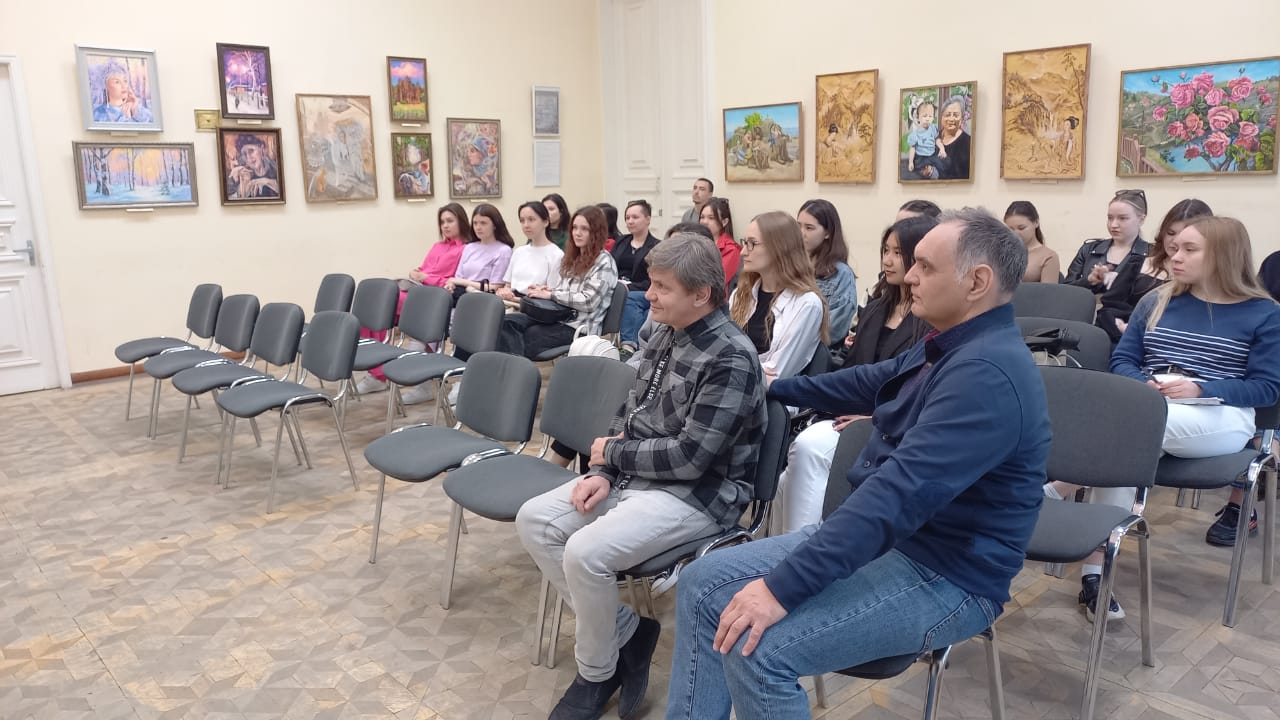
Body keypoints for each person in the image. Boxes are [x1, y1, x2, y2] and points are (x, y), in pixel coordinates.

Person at [664, 208, 1050, 720]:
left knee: (759, 650)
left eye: (925, 267)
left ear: (977, 282)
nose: (909, 277)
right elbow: (870, 381)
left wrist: (780, 589)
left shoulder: (986, 375)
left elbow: (896, 497)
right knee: (701, 583)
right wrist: (772, 386)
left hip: (948, 574)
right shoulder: (952, 343)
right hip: (899, 545)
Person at [516, 232, 765, 720]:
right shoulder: (667, 331)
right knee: (535, 519)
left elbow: (691, 458)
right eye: (651, 283)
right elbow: (629, 413)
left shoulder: (730, 357)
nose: (648, 295)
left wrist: (615, 454)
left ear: (702, 294)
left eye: (662, 287)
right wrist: (605, 470)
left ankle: (596, 672)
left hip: (700, 495)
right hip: (641, 475)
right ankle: (628, 632)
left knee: (585, 553)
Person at [1045, 217, 1280, 623]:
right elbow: (1123, 359)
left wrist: (1200, 388)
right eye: (1174, 248)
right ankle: (1095, 577)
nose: (1175, 257)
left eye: (1190, 249)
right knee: (1125, 452)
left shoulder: (1263, 314)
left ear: (1223, 256)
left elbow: (1267, 389)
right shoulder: (1157, 300)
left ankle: (1054, 490)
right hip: (1150, 408)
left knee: (1129, 433)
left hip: (1222, 416)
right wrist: (1145, 387)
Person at [768, 215, 937, 535]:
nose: (887, 260)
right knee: (783, 481)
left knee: (808, 447)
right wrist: (782, 387)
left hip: (887, 424)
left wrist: (873, 418)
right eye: (885, 250)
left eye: (898, 253)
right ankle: (784, 547)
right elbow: (854, 372)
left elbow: (912, 390)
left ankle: (801, 548)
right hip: (852, 413)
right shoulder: (876, 308)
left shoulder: (929, 320)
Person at [356, 203, 471, 395]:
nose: (445, 225)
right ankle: (377, 371)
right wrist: (416, 273)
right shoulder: (438, 246)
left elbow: (453, 282)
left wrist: (425, 277)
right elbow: (424, 269)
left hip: (436, 296)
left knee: (381, 303)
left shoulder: (466, 249)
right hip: (418, 291)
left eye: (450, 221)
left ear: (461, 221)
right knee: (370, 304)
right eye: (442, 222)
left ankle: (379, 375)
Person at [497, 205, 617, 359]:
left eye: (584, 229)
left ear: (596, 232)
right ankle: (509, 368)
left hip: (578, 327)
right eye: (574, 228)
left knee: (529, 336)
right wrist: (545, 291)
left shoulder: (604, 261)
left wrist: (552, 294)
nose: (577, 233)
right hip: (558, 317)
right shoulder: (574, 258)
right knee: (507, 322)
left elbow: (589, 302)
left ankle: (513, 369)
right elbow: (563, 292)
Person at [1096, 199, 1213, 343]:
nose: (1175, 241)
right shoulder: (1137, 263)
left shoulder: (1210, 278)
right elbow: (1109, 308)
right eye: (1171, 233)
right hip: (1124, 339)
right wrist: (1121, 327)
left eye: (1185, 235)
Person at [730, 211, 829, 381]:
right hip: (729, 385)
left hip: (768, 395)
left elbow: (777, 372)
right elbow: (718, 349)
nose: (743, 252)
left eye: (752, 243)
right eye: (745, 242)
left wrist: (724, 367)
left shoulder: (807, 304)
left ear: (779, 248)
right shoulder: (740, 293)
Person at [1063, 189, 1150, 294]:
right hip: (1086, 305)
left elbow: (1155, 295)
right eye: (1110, 218)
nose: (1113, 225)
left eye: (1122, 218)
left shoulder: (1153, 254)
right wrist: (1089, 280)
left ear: (1141, 219)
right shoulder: (1088, 250)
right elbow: (1065, 292)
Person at [797, 200, 857, 340]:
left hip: (818, 347)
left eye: (809, 228)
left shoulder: (841, 274)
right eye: (798, 226)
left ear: (827, 233)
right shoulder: (791, 266)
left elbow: (836, 327)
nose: (801, 233)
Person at [614, 200, 661, 356]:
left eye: (635, 217)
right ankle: (639, 347)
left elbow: (654, 280)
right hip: (616, 288)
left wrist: (628, 287)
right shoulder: (621, 241)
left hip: (643, 290)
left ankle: (629, 345)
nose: (630, 221)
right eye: (627, 218)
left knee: (634, 301)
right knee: (641, 308)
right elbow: (611, 266)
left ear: (648, 219)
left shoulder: (657, 246)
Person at [444, 204, 515, 300]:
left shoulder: (503, 250)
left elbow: (495, 287)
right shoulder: (469, 247)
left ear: (495, 225)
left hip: (484, 298)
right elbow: (458, 278)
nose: (478, 227)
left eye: (483, 223)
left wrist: (463, 283)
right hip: (461, 294)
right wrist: (451, 284)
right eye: (475, 223)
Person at [497, 201, 563, 302]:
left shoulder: (556, 255)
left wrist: (515, 299)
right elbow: (508, 285)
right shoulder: (519, 252)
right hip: (510, 303)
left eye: (531, 220)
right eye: (522, 221)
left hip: (535, 306)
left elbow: (551, 294)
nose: (526, 225)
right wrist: (505, 291)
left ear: (545, 222)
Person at [1003, 201, 1061, 283]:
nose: (1016, 233)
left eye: (1021, 228)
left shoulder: (1048, 257)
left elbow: (1048, 290)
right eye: (1010, 229)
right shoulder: (1001, 253)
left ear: (1036, 222)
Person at [699, 197, 741, 291]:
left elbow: (717, 282)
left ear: (724, 222)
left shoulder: (731, 249)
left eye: (711, 218)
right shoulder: (695, 243)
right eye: (702, 217)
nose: (705, 222)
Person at [226, 133, 280, 200]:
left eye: (251, 151)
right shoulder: (244, 175)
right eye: (244, 154)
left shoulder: (275, 169)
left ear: (262, 149)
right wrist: (241, 187)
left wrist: (268, 182)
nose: (248, 157)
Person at [905, 101, 945, 179]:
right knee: (920, 165)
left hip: (932, 154)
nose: (927, 119)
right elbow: (912, 148)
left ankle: (932, 169)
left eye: (930, 116)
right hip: (921, 156)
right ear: (918, 117)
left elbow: (937, 140)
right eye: (925, 116)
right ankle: (927, 170)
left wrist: (942, 148)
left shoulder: (933, 128)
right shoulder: (915, 134)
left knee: (942, 163)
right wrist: (910, 162)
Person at [935, 97, 971, 180]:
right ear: (941, 117)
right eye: (947, 115)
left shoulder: (968, 143)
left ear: (962, 118)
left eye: (955, 115)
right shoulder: (932, 138)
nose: (951, 119)